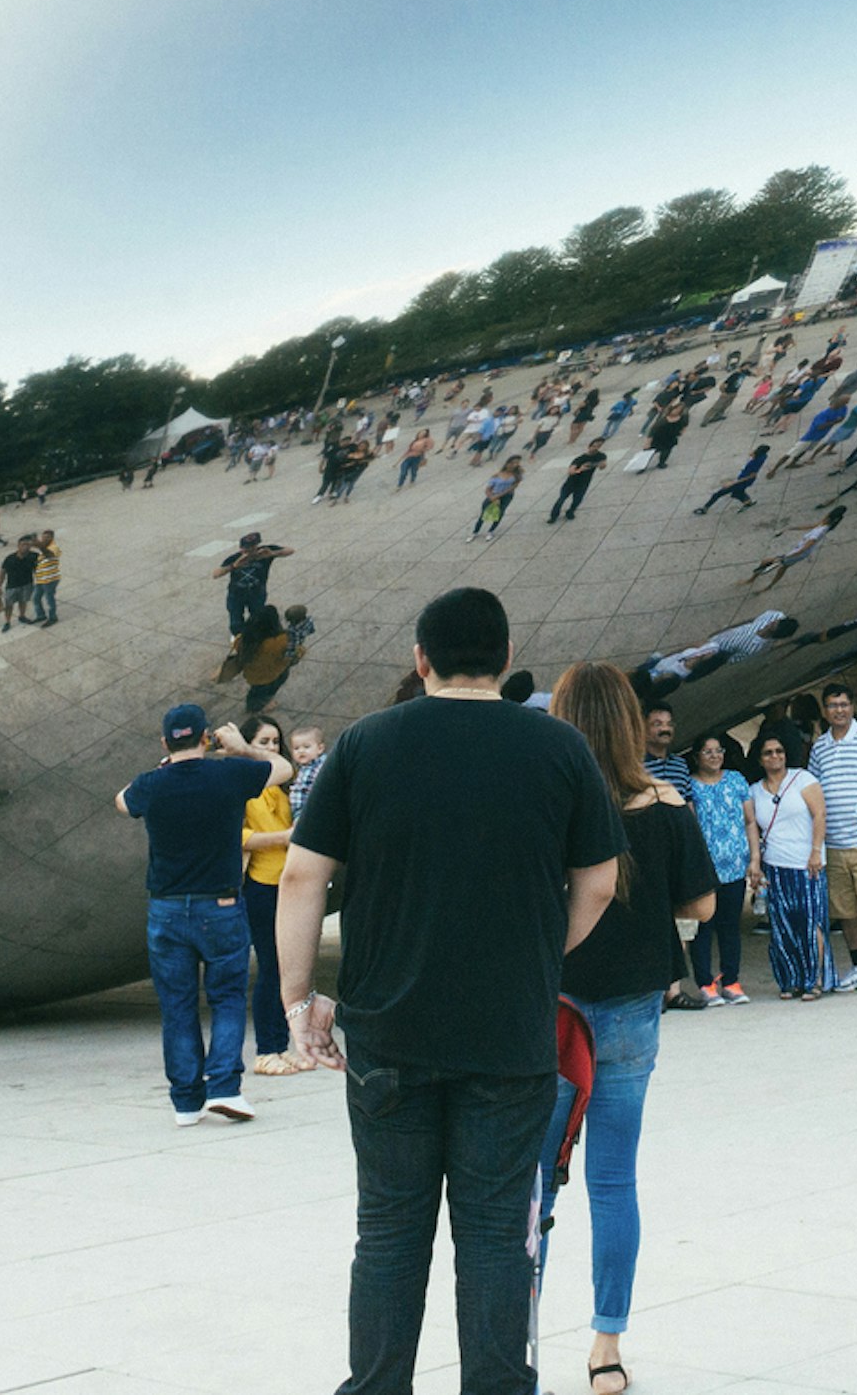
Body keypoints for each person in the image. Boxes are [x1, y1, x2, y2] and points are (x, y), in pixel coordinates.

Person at [276, 586, 622, 1395]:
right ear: (505, 661)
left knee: (390, 1234)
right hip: (509, 1035)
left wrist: (300, 1002)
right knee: (499, 1237)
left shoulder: (365, 745)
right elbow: (599, 883)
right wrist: (536, 952)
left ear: (420, 659)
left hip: (388, 1033)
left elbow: (300, 874)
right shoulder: (558, 749)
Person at [544, 663, 718, 1395]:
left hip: (550, 1012)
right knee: (614, 1182)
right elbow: (704, 909)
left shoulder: (542, 805)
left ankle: (511, 1347)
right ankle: (606, 1351)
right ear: (629, 724)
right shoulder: (667, 808)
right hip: (631, 1010)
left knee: (530, 1188)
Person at [115, 703, 269, 1126]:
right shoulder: (230, 774)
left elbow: (122, 802)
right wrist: (240, 749)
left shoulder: (152, 783)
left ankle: (186, 1101)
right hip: (219, 904)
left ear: (165, 742)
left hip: (166, 908)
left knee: (178, 1006)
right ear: (206, 738)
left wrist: (163, 766)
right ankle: (224, 1087)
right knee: (227, 997)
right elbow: (282, 769)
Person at [234, 718, 311, 1075]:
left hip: (288, 882)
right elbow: (241, 836)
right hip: (261, 884)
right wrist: (283, 838)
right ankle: (267, 1048)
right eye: (263, 741)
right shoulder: (240, 786)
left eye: (275, 742)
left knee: (289, 968)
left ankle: (281, 1044)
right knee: (270, 966)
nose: (271, 748)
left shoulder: (282, 786)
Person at [806, 684, 857, 995]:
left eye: (843, 704)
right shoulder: (819, 747)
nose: (838, 710)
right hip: (834, 842)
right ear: (824, 711)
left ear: (852, 706)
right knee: (846, 910)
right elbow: (814, 791)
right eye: (832, 705)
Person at [748, 732, 831, 999]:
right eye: (768, 752)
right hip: (775, 864)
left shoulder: (803, 779)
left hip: (807, 862)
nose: (775, 756)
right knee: (783, 925)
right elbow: (753, 828)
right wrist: (756, 864)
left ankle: (815, 979)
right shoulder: (754, 791)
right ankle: (792, 979)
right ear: (760, 759)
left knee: (811, 921)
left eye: (779, 751)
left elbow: (819, 813)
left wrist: (816, 851)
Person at [684, 731, 753, 1004]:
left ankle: (731, 981)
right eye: (708, 751)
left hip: (735, 866)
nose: (715, 756)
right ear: (697, 756)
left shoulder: (736, 780)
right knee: (703, 925)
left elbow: (749, 821)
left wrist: (755, 858)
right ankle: (705, 982)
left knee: (729, 926)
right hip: (705, 868)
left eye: (719, 750)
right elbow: (690, 826)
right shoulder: (691, 786)